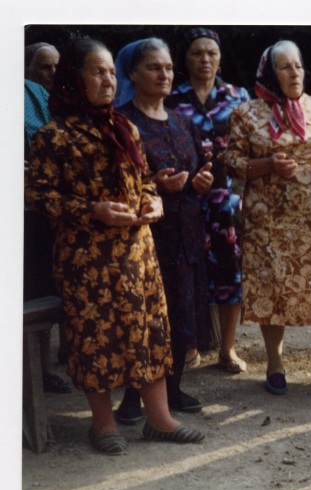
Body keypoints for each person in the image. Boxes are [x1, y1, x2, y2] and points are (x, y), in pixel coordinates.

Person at [26, 37, 204, 455]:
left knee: (150, 331)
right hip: (87, 258)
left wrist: (152, 200)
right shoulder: (55, 136)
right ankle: (103, 425)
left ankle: (158, 419)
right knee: (96, 337)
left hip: (138, 252)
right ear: (75, 78)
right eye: (96, 71)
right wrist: (92, 210)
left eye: (110, 71)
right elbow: (39, 195)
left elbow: (142, 180)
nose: (107, 80)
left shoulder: (125, 127)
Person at [222, 40, 311, 395]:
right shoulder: (246, 114)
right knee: (273, 288)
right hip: (271, 223)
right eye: (284, 67)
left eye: (297, 65)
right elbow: (231, 160)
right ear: (270, 73)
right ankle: (276, 365)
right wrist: (267, 165)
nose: (294, 72)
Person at [113, 38, 214, 423]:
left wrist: (199, 182)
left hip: (185, 231)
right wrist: (153, 182)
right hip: (144, 235)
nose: (164, 74)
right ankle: (131, 398)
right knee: (142, 314)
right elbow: (116, 181)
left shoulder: (182, 120)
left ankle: (172, 388)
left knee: (180, 309)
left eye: (169, 67)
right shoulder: (122, 121)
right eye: (155, 67)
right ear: (133, 74)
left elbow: (194, 173)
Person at [166, 28, 251, 374]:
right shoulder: (172, 98)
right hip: (186, 198)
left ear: (220, 59)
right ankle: (188, 347)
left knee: (230, 269)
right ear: (185, 59)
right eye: (197, 53)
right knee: (187, 271)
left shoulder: (237, 96)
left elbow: (250, 145)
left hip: (228, 198)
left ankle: (227, 349)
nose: (205, 59)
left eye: (211, 53)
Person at [24, 42, 71, 395]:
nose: (52, 74)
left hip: (45, 208)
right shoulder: (24, 94)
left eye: (57, 67)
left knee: (46, 288)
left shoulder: (49, 98)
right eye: (44, 67)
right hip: (24, 209)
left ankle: (44, 368)